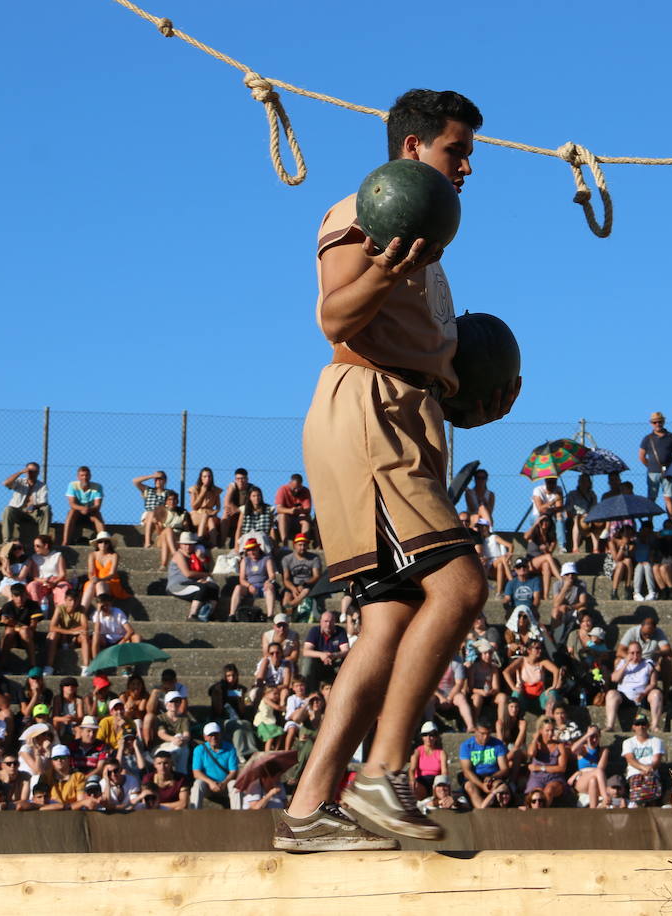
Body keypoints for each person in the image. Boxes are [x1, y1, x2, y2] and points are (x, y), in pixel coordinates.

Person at [276, 89, 515, 852]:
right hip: (369, 409)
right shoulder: (364, 212)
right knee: (461, 585)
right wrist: (384, 265)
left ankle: (309, 810)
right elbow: (335, 318)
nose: (468, 165)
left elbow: (415, 341)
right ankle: (382, 775)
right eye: (456, 150)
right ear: (413, 151)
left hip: (404, 413)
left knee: (387, 623)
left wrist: (463, 389)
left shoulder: (424, 237)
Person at [605, 641, 664, 731]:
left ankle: (654, 725)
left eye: (638, 653)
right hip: (624, 696)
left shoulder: (648, 664)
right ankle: (610, 726)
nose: (635, 656)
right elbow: (614, 679)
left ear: (641, 653)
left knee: (656, 693)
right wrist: (626, 663)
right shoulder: (622, 662)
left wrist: (644, 693)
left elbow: (653, 683)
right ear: (628, 653)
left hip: (643, 696)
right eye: (632, 653)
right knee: (611, 694)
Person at [167, 532, 219, 622]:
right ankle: (192, 614)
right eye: (185, 544)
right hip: (177, 586)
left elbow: (202, 571)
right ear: (180, 545)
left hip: (190, 583)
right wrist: (207, 575)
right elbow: (188, 574)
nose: (188, 547)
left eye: (190, 544)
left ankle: (207, 614)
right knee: (201, 588)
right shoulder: (178, 555)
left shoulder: (193, 556)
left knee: (214, 588)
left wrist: (201, 559)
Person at [638, 411, 672, 520]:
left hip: (668, 472)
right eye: (655, 422)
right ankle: (650, 522)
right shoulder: (647, 438)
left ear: (663, 422)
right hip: (653, 472)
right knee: (652, 498)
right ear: (651, 424)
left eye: (659, 422)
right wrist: (650, 466)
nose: (657, 424)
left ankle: (671, 521)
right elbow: (641, 456)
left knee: (668, 498)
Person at [458, 723, 510, 807]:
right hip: (475, 776)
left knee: (499, 787)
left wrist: (493, 777)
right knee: (470, 787)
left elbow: (504, 769)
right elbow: (467, 771)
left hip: (493, 775)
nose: (485, 737)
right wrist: (481, 785)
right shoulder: (466, 746)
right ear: (475, 731)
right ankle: (481, 811)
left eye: (488, 734)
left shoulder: (498, 744)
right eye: (482, 734)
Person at [299, 610, 349, 693]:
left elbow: (346, 651)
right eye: (325, 621)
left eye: (331, 621)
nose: (328, 624)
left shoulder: (340, 631)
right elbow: (306, 651)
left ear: (335, 622)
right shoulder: (314, 631)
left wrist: (333, 655)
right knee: (307, 660)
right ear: (320, 622)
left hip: (333, 662)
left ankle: (343, 691)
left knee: (346, 660)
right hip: (318, 663)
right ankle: (308, 692)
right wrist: (322, 655)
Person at [621, 713, 665, 807]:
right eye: (638, 724)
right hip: (635, 773)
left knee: (652, 790)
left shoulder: (657, 741)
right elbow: (630, 759)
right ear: (633, 727)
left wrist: (649, 769)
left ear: (648, 726)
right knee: (637, 790)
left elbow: (657, 760)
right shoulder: (628, 742)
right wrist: (644, 768)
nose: (640, 727)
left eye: (643, 724)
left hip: (652, 773)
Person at [191, 722, 238, 809]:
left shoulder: (230, 748)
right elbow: (196, 772)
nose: (213, 737)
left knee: (234, 784)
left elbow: (233, 771)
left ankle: (238, 815)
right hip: (208, 785)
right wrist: (210, 782)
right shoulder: (199, 750)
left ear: (220, 735)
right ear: (205, 737)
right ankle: (194, 814)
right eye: (210, 735)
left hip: (225, 784)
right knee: (198, 784)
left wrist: (224, 783)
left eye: (216, 734)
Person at [230, 537, 278, 622]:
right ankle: (232, 614)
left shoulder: (266, 559)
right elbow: (242, 579)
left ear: (258, 549)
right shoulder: (245, 560)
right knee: (237, 587)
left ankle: (270, 615)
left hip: (263, 586)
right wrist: (249, 585)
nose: (251, 552)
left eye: (254, 549)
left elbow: (272, 575)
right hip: (249, 587)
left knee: (270, 587)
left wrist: (268, 581)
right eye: (249, 550)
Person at [523, 716, 569, 805]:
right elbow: (531, 753)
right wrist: (535, 738)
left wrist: (540, 768)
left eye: (552, 730)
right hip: (537, 778)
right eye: (547, 731)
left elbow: (562, 768)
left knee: (549, 790)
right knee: (536, 795)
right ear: (541, 731)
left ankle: (544, 815)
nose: (550, 733)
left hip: (554, 778)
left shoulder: (559, 746)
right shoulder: (536, 744)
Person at [1, 463, 51, 542]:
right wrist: (20, 472)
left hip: (34, 513)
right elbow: (6, 483)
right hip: (18, 512)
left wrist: (34, 506)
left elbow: (44, 502)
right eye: (29, 470)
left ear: (38, 473)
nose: (31, 473)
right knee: (8, 509)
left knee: (46, 509)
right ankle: (7, 540)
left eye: (34, 471)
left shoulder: (42, 485)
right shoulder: (19, 482)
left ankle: (43, 539)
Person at [62, 466, 105, 546]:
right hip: (77, 513)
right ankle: (65, 542)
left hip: (91, 513)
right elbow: (71, 504)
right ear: (78, 477)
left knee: (98, 514)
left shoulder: (97, 487)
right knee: (71, 512)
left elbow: (97, 505)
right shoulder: (72, 485)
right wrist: (82, 508)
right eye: (82, 475)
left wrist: (88, 509)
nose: (84, 478)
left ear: (90, 476)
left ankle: (103, 541)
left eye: (87, 475)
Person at [567, 725, 609, 808]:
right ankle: (606, 797)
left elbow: (600, 768)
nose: (593, 739)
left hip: (597, 780)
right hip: (582, 780)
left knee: (593, 780)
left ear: (599, 737)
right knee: (597, 773)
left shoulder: (603, 751)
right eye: (591, 736)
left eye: (596, 736)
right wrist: (587, 735)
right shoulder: (582, 749)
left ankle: (593, 811)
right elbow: (573, 749)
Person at [408, 721, 447, 799]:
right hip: (421, 781)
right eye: (425, 735)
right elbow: (412, 769)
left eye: (431, 735)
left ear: (436, 737)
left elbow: (444, 771)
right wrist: (412, 780)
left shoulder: (441, 753)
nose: (428, 738)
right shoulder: (417, 751)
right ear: (422, 737)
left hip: (436, 781)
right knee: (413, 787)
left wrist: (441, 784)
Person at [132, 471, 171, 548]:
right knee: (151, 513)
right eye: (156, 479)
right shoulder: (149, 490)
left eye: (160, 479)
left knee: (155, 517)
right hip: (148, 515)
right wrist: (152, 476)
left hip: (161, 515)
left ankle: (152, 541)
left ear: (165, 481)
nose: (157, 481)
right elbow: (135, 481)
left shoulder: (168, 493)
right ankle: (147, 542)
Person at [274, 474, 314, 547]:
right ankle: (284, 544)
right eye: (294, 488)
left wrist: (300, 511)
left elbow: (308, 509)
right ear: (290, 483)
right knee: (282, 516)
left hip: (299, 518)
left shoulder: (305, 491)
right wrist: (290, 511)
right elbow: (279, 509)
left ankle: (304, 544)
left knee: (305, 519)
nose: (296, 490)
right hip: (286, 519)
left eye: (299, 488)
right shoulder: (282, 489)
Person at [189, 468, 223, 547]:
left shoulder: (215, 490)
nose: (207, 478)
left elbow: (218, 506)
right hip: (197, 513)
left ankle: (214, 544)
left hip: (211, 513)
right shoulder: (194, 489)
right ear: (201, 478)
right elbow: (194, 506)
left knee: (210, 520)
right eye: (204, 476)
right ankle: (200, 539)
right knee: (205, 516)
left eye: (209, 476)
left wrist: (214, 512)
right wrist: (202, 493)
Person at [220, 469, 252, 550]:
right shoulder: (233, 487)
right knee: (225, 513)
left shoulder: (252, 489)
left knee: (242, 514)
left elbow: (252, 506)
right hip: (233, 515)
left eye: (243, 478)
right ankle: (222, 543)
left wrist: (238, 510)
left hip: (246, 516)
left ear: (247, 479)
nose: (240, 481)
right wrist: (231, 489)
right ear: (235, 479)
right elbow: (226, 504)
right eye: (238, 479)